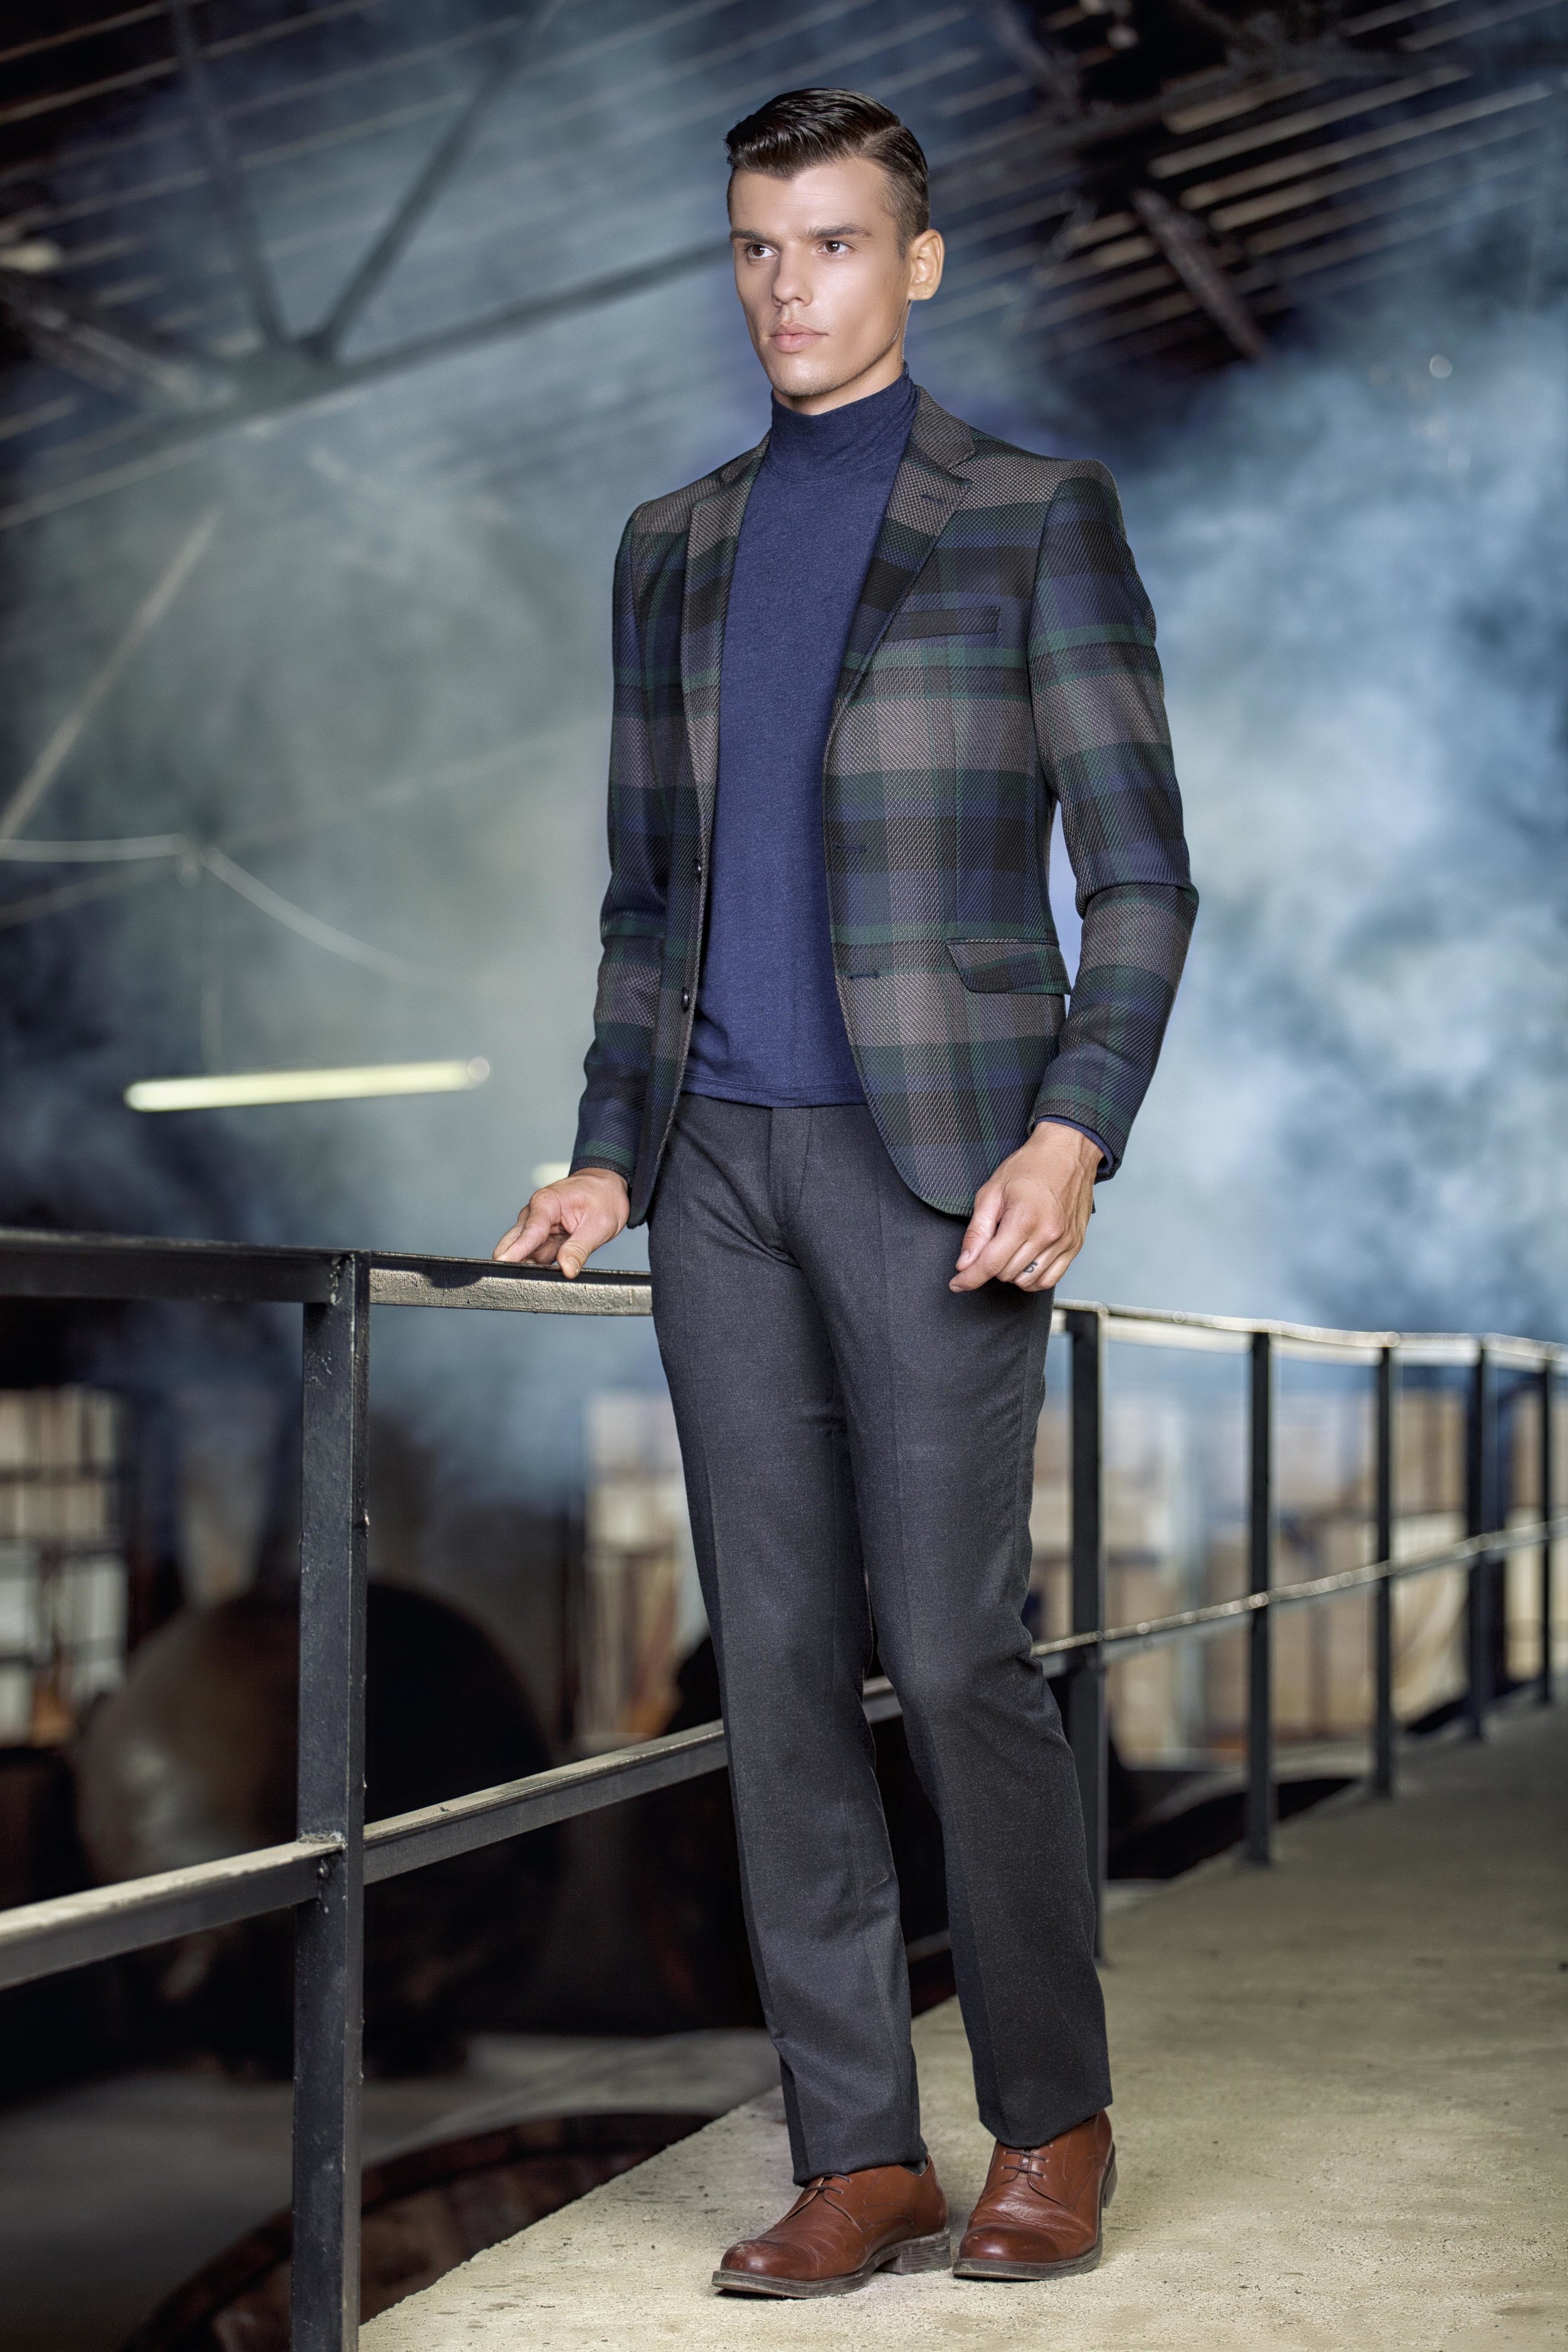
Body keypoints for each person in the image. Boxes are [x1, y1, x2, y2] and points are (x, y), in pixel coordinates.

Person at [495, 87, 1196, 2299]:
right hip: (714, 1175)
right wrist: (604, 1147)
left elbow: (1142, 882)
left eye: (828, 242)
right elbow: (643, 900)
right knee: (778, 1669)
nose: (785, 286)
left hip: (938, 1174)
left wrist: (1069, 1132)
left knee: (955, 1653)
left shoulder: (1032, 514)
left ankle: (1049, 2122)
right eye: (755, 246)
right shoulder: (668, 544)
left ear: (917, 261)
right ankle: (856, 2152)